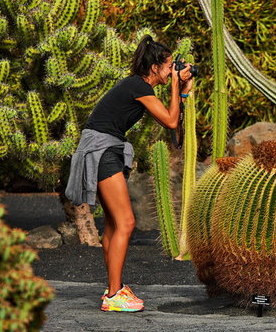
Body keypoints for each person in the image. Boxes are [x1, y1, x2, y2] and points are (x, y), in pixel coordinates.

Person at [65, 35, 193, 312]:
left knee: (113, 225)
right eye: (169, 66)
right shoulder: (137, 85)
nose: (172, 70)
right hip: (102, 150)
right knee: (126, 222)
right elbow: (170, 120)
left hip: (105, 148)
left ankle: (114, 288)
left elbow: (173, 125)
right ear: (155, 67)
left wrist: (182, 92)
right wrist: (175, 84)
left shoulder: (138, 86)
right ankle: (113, 295)